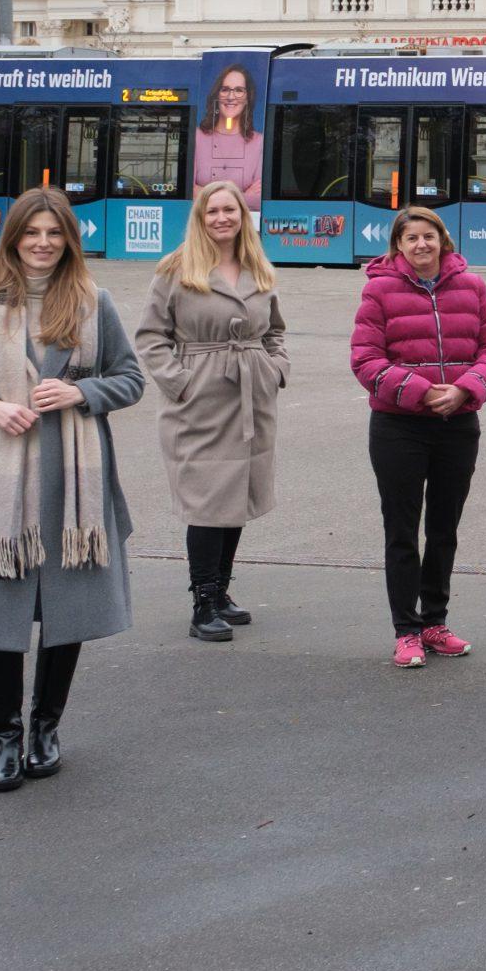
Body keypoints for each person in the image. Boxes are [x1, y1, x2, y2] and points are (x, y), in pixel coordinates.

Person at [0, 186, 145, 792]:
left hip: (76, 486)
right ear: (14, 237)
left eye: (54, 233)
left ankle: (46, 727)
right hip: (2, 490)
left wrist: (82, 393)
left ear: (68, 239)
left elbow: (130, 379)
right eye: (32, 233)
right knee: (1, 613)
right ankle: (4, 737)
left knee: (66, 610)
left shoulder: (95, 301)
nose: (43, 244)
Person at [350, 207, 486, 669]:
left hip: (457, 424)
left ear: (443, 240)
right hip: (398, 427)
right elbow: (365, 360)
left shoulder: (472, 287)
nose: (421, 245)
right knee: (401, 530)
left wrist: (465, 389)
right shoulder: (378, 290)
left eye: (429, 236)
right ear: (397, 245)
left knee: (443, 529)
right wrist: (421, 393)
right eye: (411, 238)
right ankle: (406, 630)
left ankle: (435, 623)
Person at [136, 180, 288, 644]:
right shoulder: (176, 269)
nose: (222, 218)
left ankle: (221, 592)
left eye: (230, 210)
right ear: (200, 219)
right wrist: (182, 383)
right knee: (207, 501)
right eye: (212, 211)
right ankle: (202, 602)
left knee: (235, 497)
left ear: (242, 215)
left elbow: (274, 331)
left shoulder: (258, 267)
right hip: (200, 400)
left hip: (250, 399)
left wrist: (276, 369)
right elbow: (150, 337)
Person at [193, 63, 264, 208]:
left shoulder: (259, 142)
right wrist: (242, 197)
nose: (231, 97)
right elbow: (188, 191)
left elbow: (259, 200)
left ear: (247, 98)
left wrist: (204, 194)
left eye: (239, 90)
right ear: (217, 94)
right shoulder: (196, 137)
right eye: (225, 90)